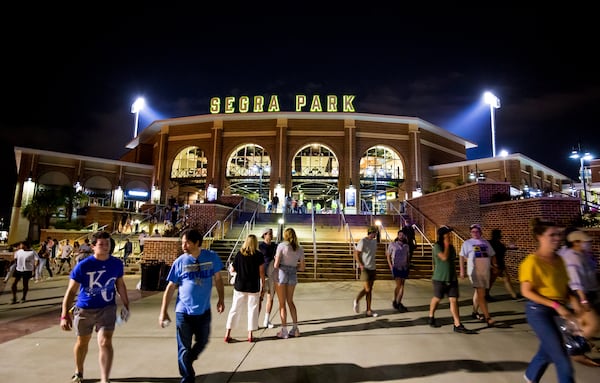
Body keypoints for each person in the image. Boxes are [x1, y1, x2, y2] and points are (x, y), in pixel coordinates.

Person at [60, 231, 129, 383]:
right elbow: (71, 291)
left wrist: (126, 304)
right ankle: (79, 371)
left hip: (107, 308)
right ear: (93, 247)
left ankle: (105, 378)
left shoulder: (116, 264)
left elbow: (120, 285)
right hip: (85, 308)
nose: (105, 247)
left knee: (105, 341)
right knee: (82, 342)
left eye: (108, 244)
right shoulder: (84, 266)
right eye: (101, 244)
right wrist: (65, 314)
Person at [158, 229, 225, 383]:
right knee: (183, 347)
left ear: (197, 243)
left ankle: (189, 358)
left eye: (187, 242)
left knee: (202, 341)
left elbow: (219, 280)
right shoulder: (180, 262)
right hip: (183, 312)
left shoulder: (211, 257)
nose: (184, 246)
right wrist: (163, 311)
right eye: (182, 242)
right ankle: (188, 377)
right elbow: (170, 287)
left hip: (203, 311)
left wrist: (221, 299)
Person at [520, 218, 582, 383]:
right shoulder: (532, 262)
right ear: (540, 237)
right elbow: (526, 291)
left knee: (548, 348)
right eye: (552, 235)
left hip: (559, 310)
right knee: (562, 358)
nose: (557, 238)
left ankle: (531, 376)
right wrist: (556, 305)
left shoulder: (559, 260)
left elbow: (565, 287)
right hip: (538, 311)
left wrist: (575, 303)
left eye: (559, 234)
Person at [558, 230, 600, 367]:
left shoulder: (582, 255)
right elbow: (575, 280)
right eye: (584, 241)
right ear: (575, 242)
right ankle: (575, 350)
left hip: (589, 293)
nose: (588, 244)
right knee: (594, 323)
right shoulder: (572, 257)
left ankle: (577, 348)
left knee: (581, 325)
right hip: (580, 295)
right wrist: (583, 299)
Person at [428, 226, 474, 334]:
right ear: (442, 235)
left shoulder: (452, 247)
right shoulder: (437, 246)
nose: (450, 235)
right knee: (437, 298)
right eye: (447, 234)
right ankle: (431, 316)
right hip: (439, 278)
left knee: (453, 300)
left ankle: (457, 324)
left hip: (451, 278)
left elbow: (453, 259)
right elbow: (443, 258)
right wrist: (446, 245)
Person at [224, 234, 266, 343]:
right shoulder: (259, 255)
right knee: (252, 309)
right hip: (253, 286)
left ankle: (228, 333)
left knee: (235, 309)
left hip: (240, 285)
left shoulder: (239, 254)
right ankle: (250, 334)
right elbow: (261, 272)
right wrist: (263, 286)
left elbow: (232, 269)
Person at [460, 223, 501, 327]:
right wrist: (462, 270)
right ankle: (488, 318)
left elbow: (492, 255)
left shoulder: (485, 242)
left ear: (480, 232)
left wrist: (495, 265)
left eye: (477, 231)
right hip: (474, 272)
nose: (475, 233)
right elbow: (461, 257)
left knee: (478, 293)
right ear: (470, 233)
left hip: (485, 272)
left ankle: (474, 312)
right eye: (473, 231)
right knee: (482, 294)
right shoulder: (467, 243)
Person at [273, 227, 305, 338]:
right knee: (290, 301)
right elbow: (302, 267)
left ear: (285, 235)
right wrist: (293, 268)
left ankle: (284, 330)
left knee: (282, 304)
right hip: (292, 274)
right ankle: (295, 329)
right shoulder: (300, 248)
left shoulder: (281, 246)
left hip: (281, 273)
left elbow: (276, 264)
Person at [353, 226, 379, 318]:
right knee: (367, 289)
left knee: (370, 290)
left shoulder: (374, 242)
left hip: (372, 267)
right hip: (365, 268)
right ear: (370, 233)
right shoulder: (363, 241)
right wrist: (360, 264)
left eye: (376, 233)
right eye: (374, 233)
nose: (375, 234)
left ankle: (369, 310)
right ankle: (357, 299)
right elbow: (356, 253)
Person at [487, 229, 520, 300]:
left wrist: (510, 246)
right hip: (495, 265)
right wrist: (492, 265)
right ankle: (485, 295)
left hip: (500, 264)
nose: (501, 236)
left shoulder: (497, 243)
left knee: (506, 279)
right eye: (500, 234)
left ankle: (514, 295)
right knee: (491, 281)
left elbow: (503, 249)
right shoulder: (490, 243)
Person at [386, 231, 410, 312]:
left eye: (403, 235)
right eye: (400, 235)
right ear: (398, 236)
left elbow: (407, 256)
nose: (401, 236)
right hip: (396, 267)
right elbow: (388, 255)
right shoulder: (392, 244)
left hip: (404, 267)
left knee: (401, 285)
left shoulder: (406, 246)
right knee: (399, 285)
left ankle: (397, 301)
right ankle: (397, 302)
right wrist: (390, 266)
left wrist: (407, 264)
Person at [259, 227, 277, 328]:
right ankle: (255, 320)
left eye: (272, 233)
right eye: (269, 233)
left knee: (270, 297)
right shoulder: (260, 246)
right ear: (264, 235)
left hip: (272, 274)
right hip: (263, 274)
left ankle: (266, 320)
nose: (271, 235)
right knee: (260, 298)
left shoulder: (275, 245)